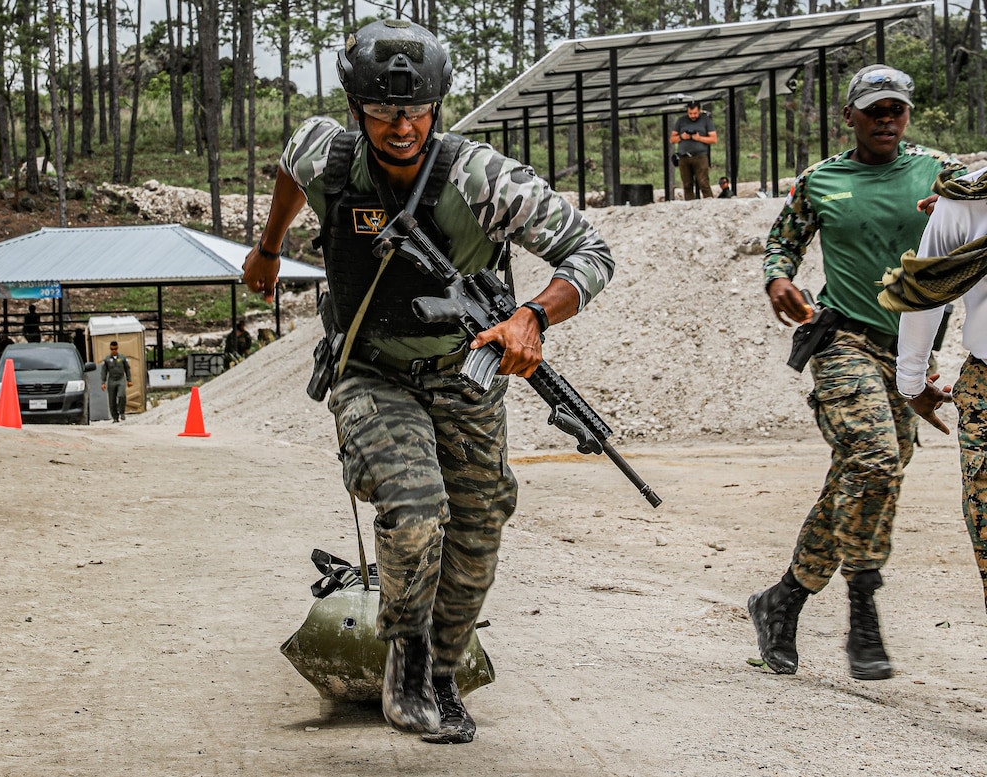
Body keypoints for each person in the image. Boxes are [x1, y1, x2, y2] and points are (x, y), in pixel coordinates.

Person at [242, 19, 613, 744]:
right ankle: (406, 663)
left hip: (465, 373)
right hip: (369, 369)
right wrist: (268, 246)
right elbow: (291, 164)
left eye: (416, 111)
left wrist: (533, 316)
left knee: (476, 529)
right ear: (357, 110)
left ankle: (443, 669)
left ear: (437, 107)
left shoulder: (482, 180)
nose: (402, 126)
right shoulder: (330, 152)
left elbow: (590, 251)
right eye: (383, 112)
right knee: (415, 507)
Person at [748, 64, 963, 681]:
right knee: (872, 458)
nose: (886, 118)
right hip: (843, 340)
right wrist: (778, 278)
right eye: (874, 110)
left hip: (912, 350)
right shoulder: (821, 180)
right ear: (849, 116)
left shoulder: (938, 173)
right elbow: (781, 241)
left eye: (896, 108)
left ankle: (783, 600)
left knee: (865, 475)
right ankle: (862, 612)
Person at [893, 165, 987, 612]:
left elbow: (923, 295)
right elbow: (924, 293)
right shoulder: (965, 196)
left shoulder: (967, 197)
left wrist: (912, 383)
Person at [669, 100, 717, 200]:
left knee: (703, 182)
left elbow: (713, 139)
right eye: (690, 113)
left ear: (699, 111)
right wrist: (682, 137)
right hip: (684, 156)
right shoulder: (681, 121)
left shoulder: (705, 120)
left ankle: (709, 202)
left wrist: (699, 138)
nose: (693, 115)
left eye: (695, 113)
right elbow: (672, 139)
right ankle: (690, 203)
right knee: (687, 184)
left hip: (700, 156)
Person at [100, 341, 132, 423]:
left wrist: (129, 380)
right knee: (112, 399)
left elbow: (127, 369)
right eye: (112, 349)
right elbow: (104, 371)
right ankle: (115, 417)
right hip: (112, 380)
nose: (114, 351)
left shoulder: (122, 358)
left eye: (115, 349)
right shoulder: (107, 359)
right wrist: (103, 382)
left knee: (121, 395)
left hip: (121, 379)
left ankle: (122, 412)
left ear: (117, 348)